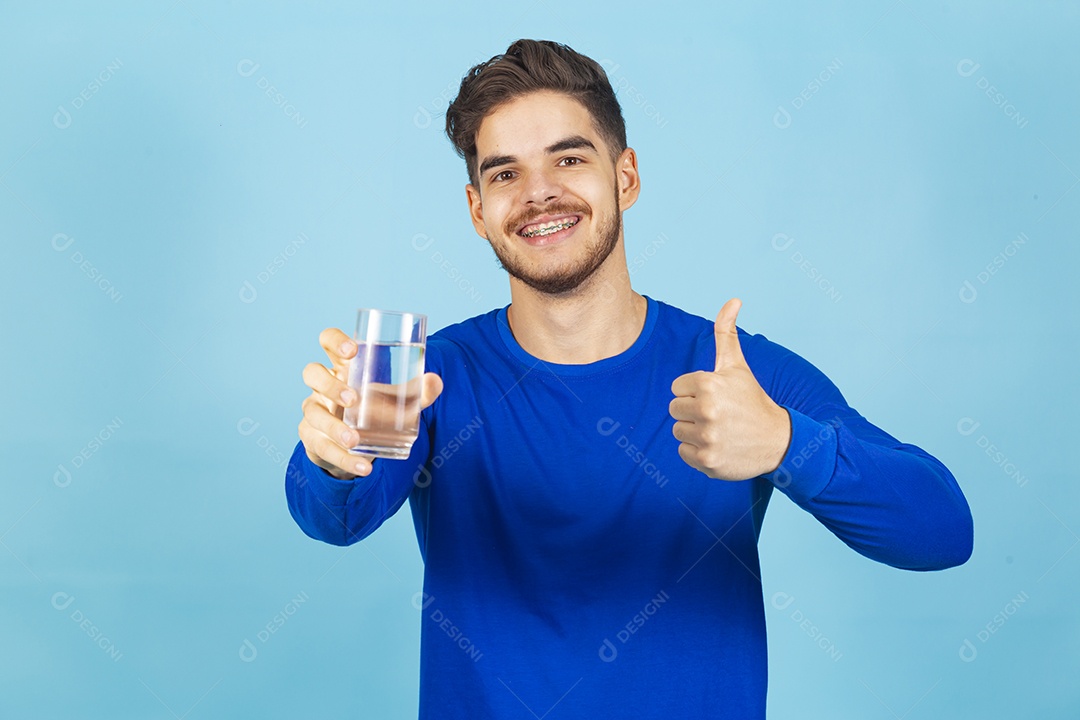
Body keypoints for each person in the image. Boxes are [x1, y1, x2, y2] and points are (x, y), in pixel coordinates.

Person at [285, 38, 973, 719]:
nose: (539, 193)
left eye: (569, 158)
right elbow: (333, 518)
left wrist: (787, 445)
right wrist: (332, 462)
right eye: (504, 175)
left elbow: (943, 530)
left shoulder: (737, 372)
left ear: (626, 176)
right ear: (476, 211)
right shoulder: (425, 375)